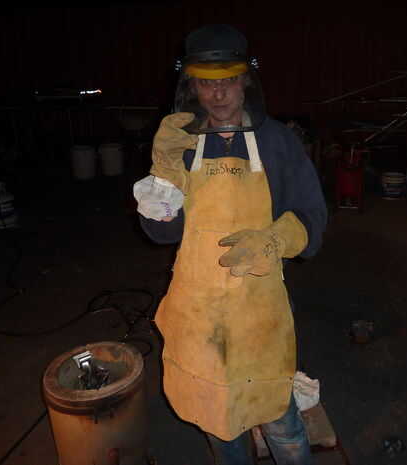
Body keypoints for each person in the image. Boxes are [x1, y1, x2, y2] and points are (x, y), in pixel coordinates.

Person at [138, 24, 327, 465]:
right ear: (192, 86)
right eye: (207, 83)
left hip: (260, 310)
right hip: (198, 314)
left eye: (228, 81)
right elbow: (161, 233)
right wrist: (163, 169)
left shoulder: (277, 142)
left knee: (279, 420)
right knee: (218, 421)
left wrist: (276, 239)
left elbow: (313, 214)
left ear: (246, 81)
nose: (218, 94)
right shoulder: (182, 143)